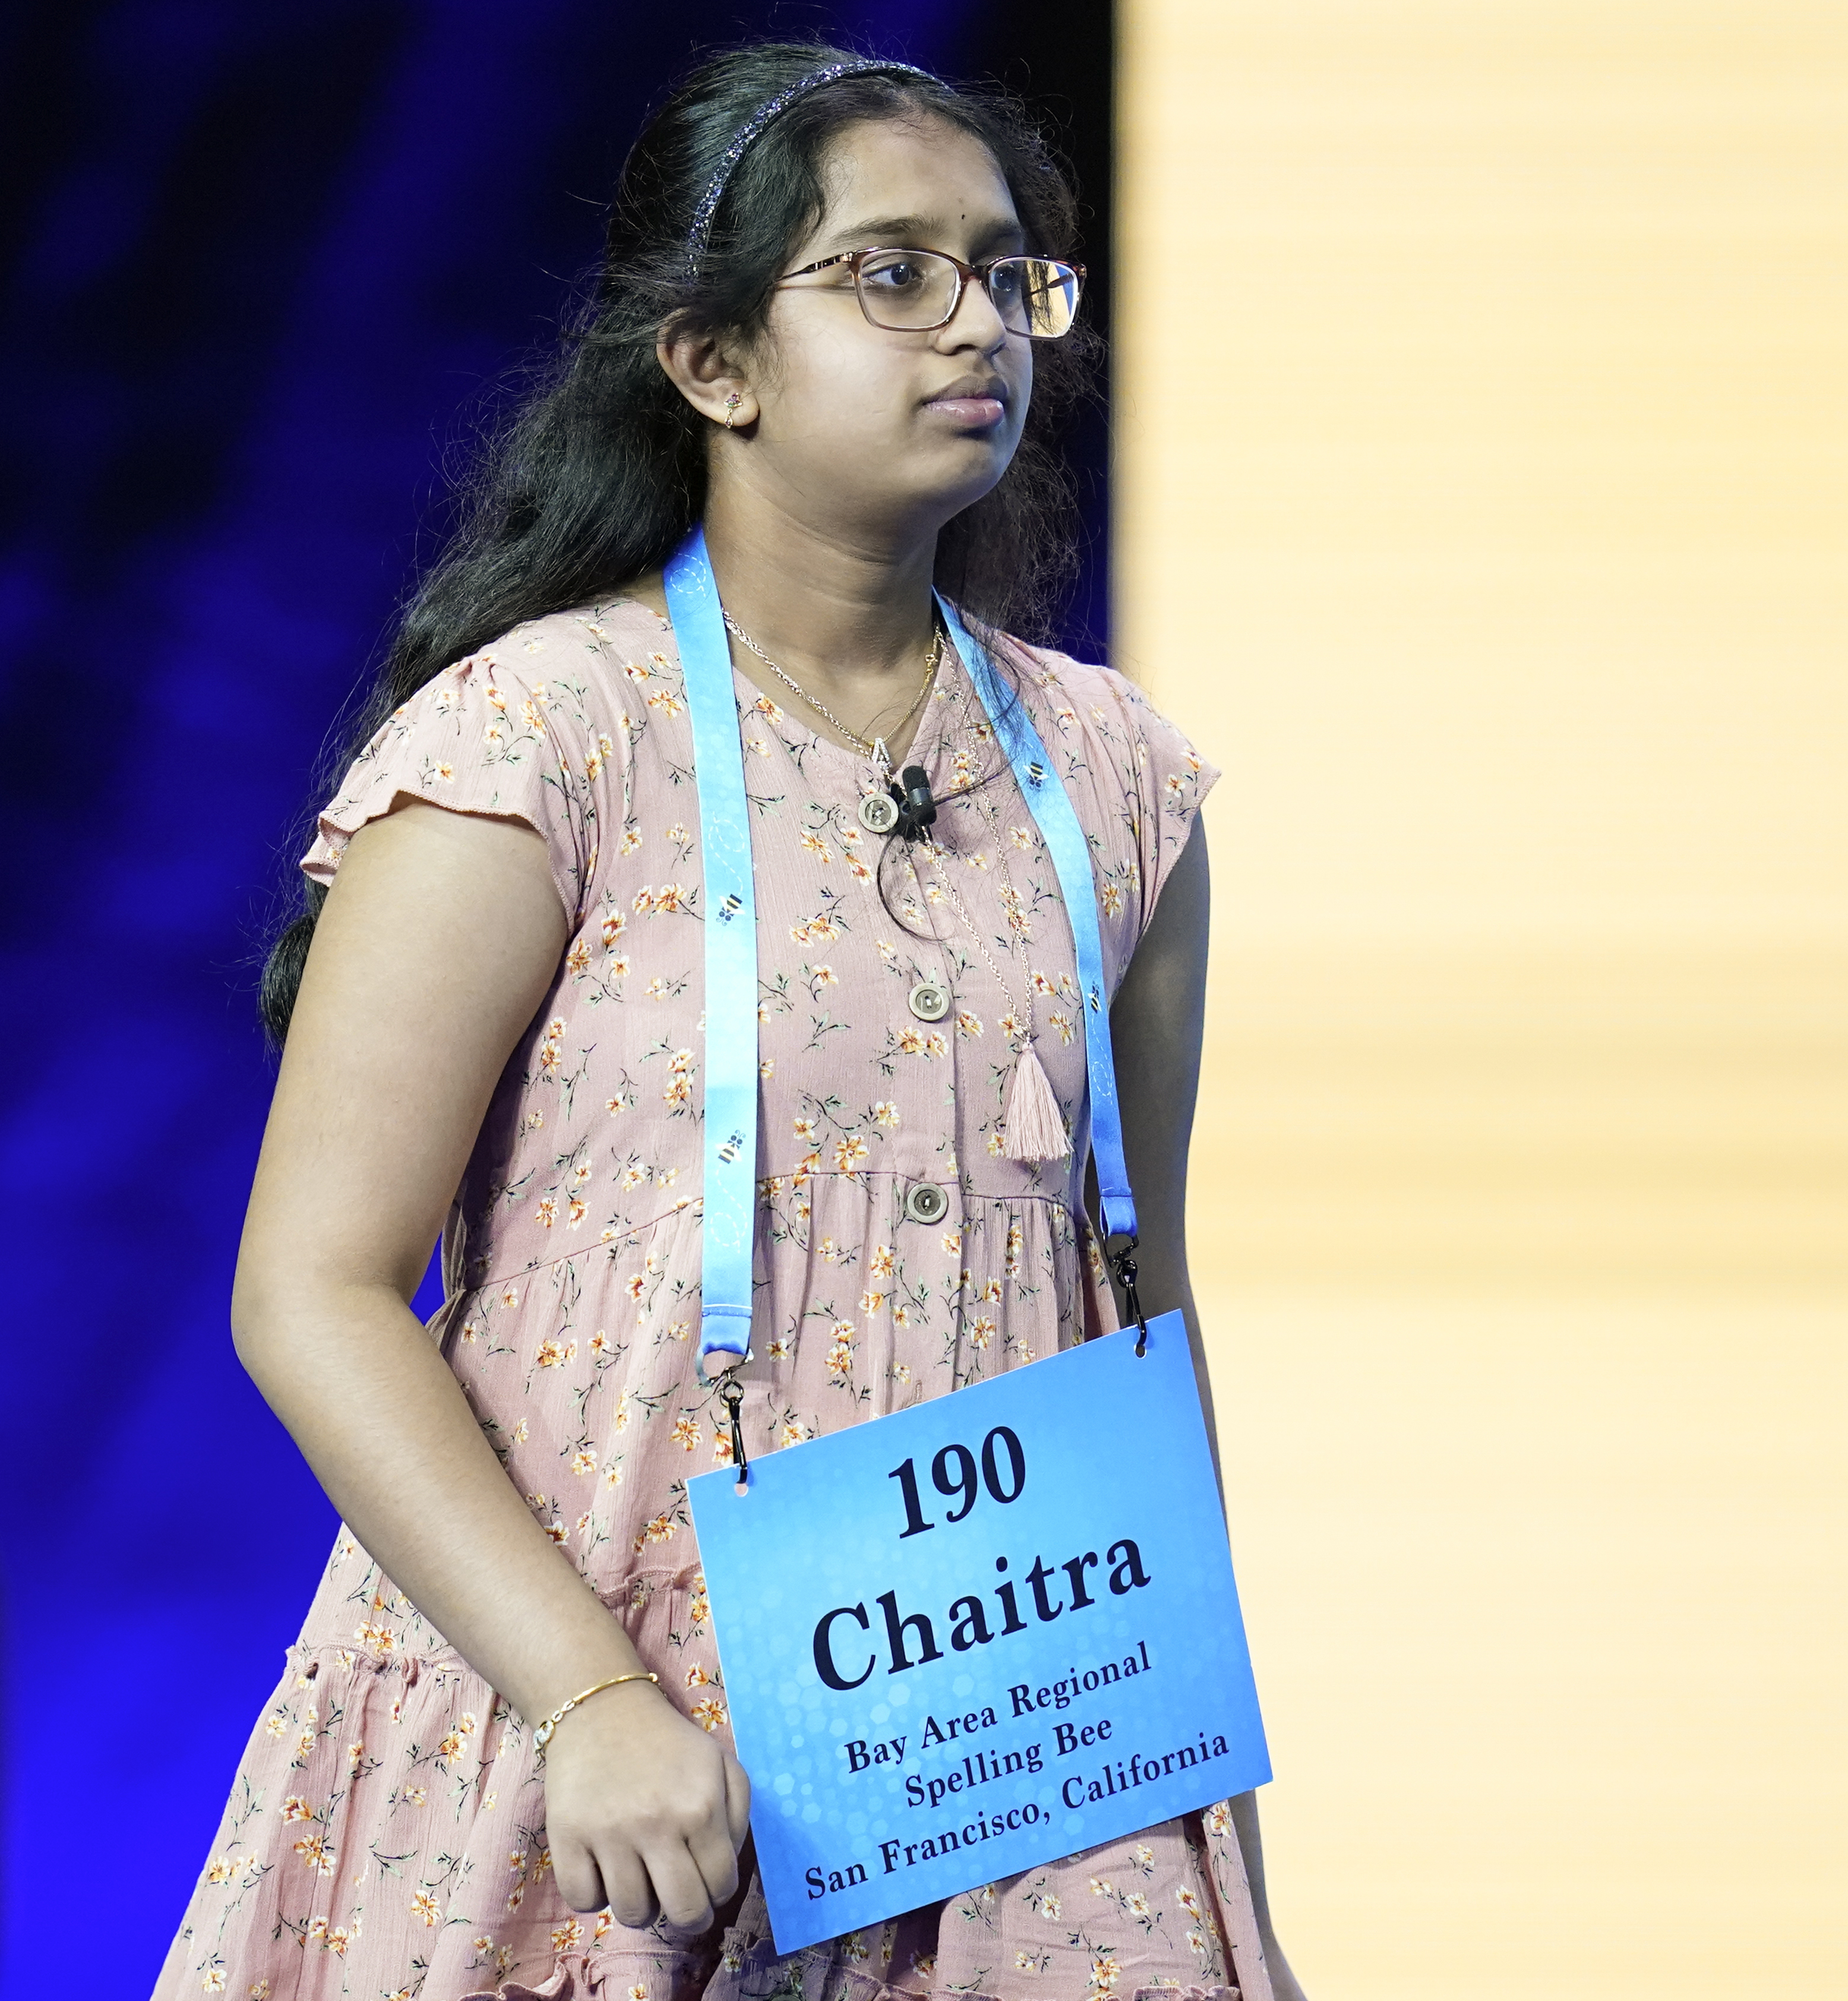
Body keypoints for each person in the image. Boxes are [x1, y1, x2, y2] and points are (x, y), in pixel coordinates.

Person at [152, 42, 1304, 2001]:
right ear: (710, 364)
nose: (981, 327)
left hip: (1021, 1765)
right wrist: (585, 1694)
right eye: (890, 273)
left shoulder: (1115, 777)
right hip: (595, 1742)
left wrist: (1226, 1869)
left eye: (1009, 272)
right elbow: (314, 1289)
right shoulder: (540, 740)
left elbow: (1141, 1317)